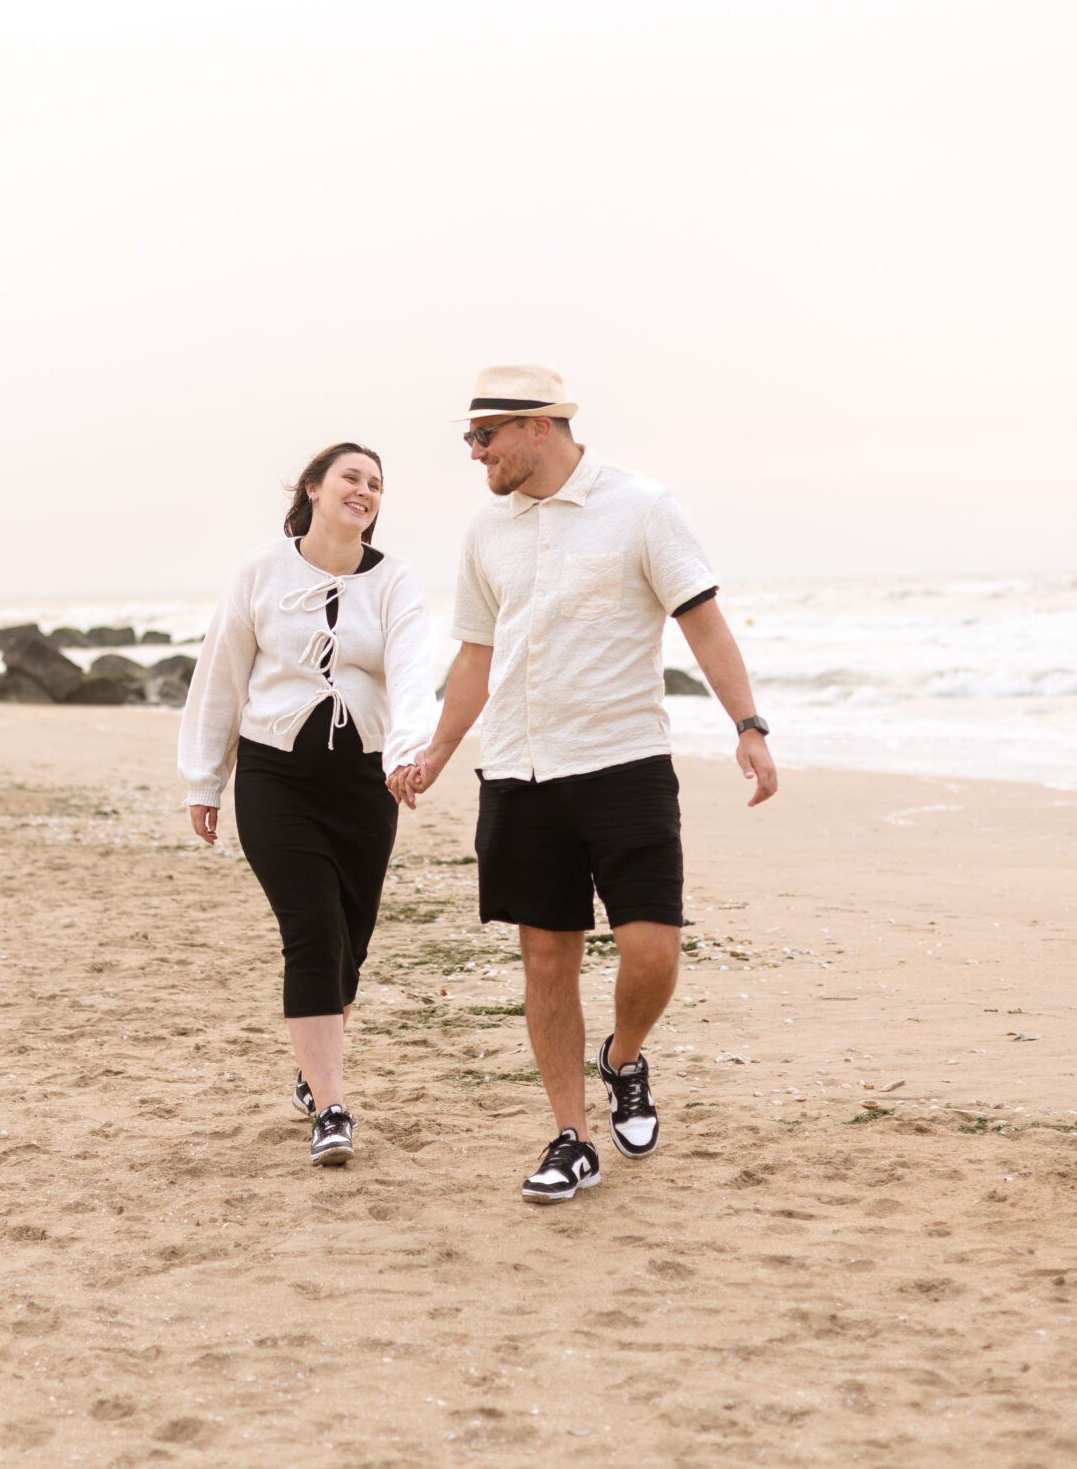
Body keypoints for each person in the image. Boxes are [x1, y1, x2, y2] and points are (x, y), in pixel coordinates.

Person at [390, 365, 777, 1202]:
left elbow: (702, 620)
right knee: (546, 958)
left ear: (539, 426)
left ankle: (624, 1057)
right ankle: (570, 1136)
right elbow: (476, 656)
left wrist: (748, 726)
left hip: (625, 762)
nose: (474, 452)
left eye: (483, 435)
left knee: (651, 949)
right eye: (469, 437)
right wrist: (438, 750)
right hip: (522, 770)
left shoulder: (641, 506)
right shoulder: (485, 533)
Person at [180, 442, 437, 1167]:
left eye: (377, 484)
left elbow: (414, 670)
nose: (365, 490)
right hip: (276, 777)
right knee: (314, 930)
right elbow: (220, 673)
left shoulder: (395, 581)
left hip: (365, 783)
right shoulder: (260, 571)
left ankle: (311, 1063)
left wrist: (409, 753)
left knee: (350, 944)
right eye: (352, 477)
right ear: (315, 489)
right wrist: (205, 779)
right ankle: (332, 1106)